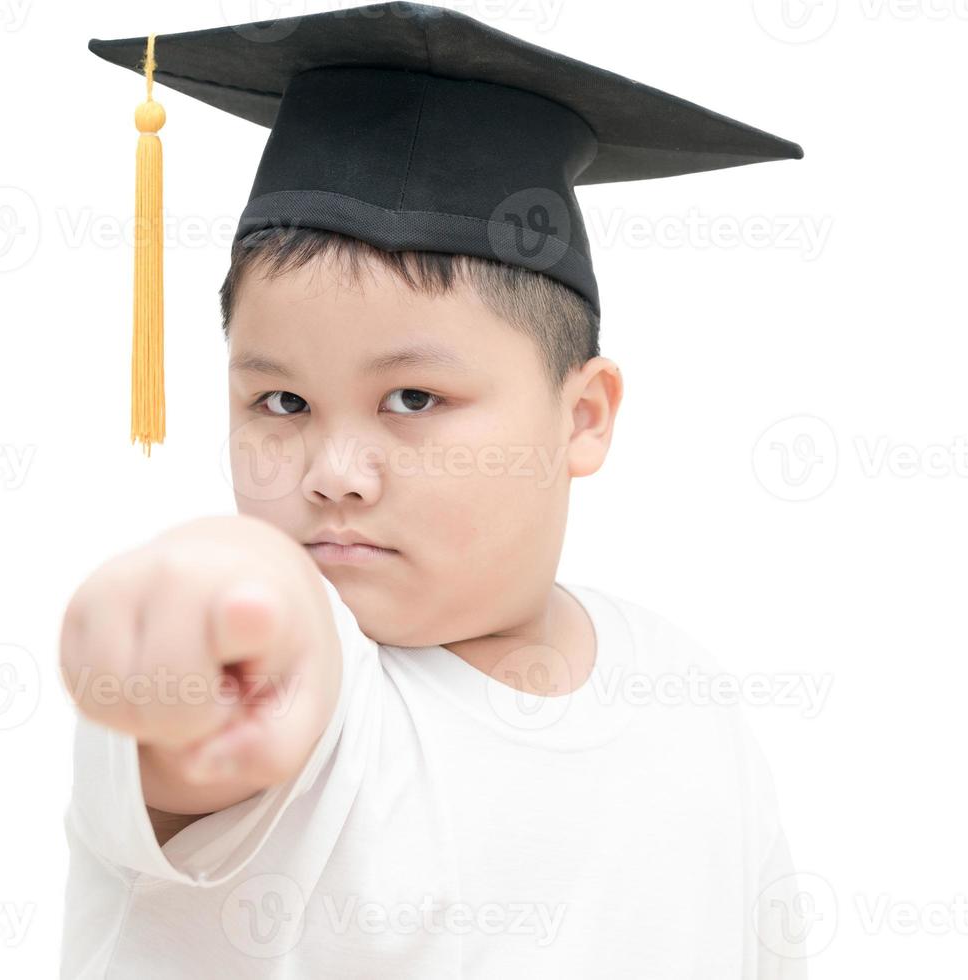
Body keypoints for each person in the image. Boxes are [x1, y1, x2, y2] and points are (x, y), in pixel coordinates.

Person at [59, 3, 809, 976]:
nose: (332, 472)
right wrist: (183, 617)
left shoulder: (690, 702)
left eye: (412, 397)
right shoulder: (300, 705)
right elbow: (232, 656)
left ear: (582, 417)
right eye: (280, 399)